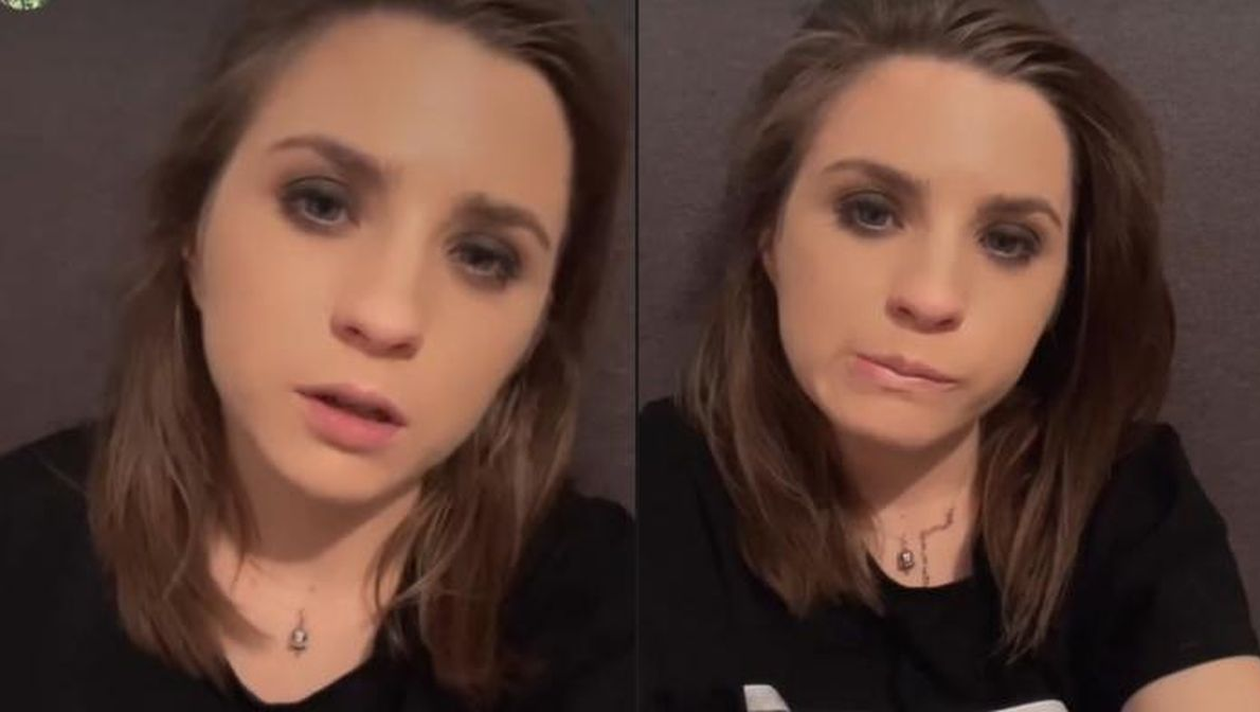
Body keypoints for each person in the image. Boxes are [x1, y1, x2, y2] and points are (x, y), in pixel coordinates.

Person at [0, 0, 631, 710]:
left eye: (484, 257)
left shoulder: (615, 611)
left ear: (540, 328)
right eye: (321, 204)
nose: (386, 316)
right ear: (192, 232)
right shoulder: (20, 545)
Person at [639, 0, 1260, 710]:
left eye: (1008, 241)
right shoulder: (658, 499)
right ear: (769, 236)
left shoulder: (1125, 500)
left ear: (1063, 293)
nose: (931, 297)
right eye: (870, 211)